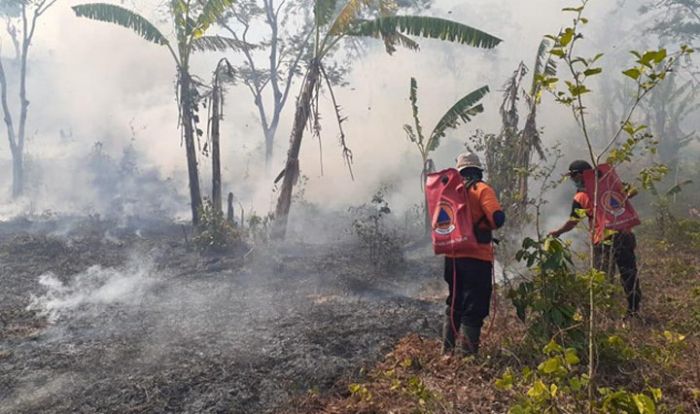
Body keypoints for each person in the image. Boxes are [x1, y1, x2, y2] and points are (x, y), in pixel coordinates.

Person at [548, 160, 641, 318]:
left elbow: (573, 221)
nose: (573, 180)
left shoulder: (581, 196)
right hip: (625, 235)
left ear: (579, 175)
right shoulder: (609, 185)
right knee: (629, 274)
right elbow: (633, 191)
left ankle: (605, 314)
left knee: (603, 277)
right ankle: (633, 311)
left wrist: (558, 232)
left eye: (574, 176)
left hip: (603, 240)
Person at [442, 152, 505, 356]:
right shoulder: (481, 189)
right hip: (477, 258)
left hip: (452, 258)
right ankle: (467, 358)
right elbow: (497, 218)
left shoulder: (449, 192)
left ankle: (447, 351)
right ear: (478, 170)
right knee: (474, 306)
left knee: (454, 301)